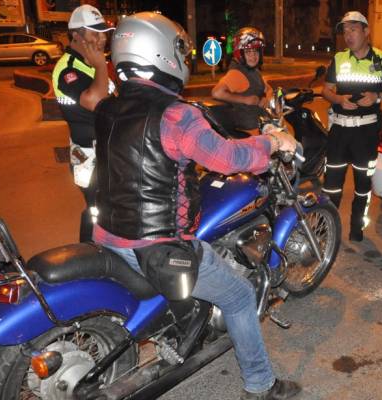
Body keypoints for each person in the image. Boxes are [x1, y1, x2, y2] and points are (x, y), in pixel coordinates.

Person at [93, 12, 301, 400]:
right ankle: (261, 384)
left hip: (108, 234)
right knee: (239, 296)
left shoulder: (107, 108)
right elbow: (227, 158)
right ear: (162, 52)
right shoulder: (176, 115)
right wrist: (273, 142)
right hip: (157, 245)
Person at [321, 11, 382, 242]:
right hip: (339, 131)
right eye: (345, 31)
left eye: (353, 29)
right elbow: (326, 90)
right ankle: (325, 232)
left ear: (366, 31)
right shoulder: (338, 58)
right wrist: (338, 99)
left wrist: (376, 97)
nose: (348, 35)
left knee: (363, 185)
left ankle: (356, 229)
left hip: (366, 133)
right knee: (331, 186)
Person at [52, 4, 115, 243]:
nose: (102, 39)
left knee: (107, 209)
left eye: (103, 33)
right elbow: (95, 101)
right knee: (96, 210)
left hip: (106, 150)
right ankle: (89, 253)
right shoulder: (68, 68)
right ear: (76, 35)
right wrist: (100, 65)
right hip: (87, 155)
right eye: (95, 33)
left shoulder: (88, 63)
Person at [211, 27, 272, 131]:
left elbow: (268, 88)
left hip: (260, 125)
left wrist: (266, 98)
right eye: (248, 52)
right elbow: (216, 92)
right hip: (248, 131)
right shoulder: (237, 73)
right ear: (240, 53)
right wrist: (245, 100)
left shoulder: (253, 71)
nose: (253, 56)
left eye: (256, 52)